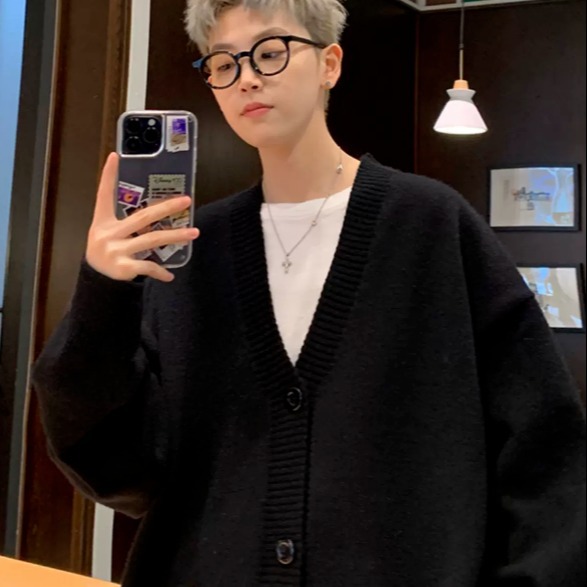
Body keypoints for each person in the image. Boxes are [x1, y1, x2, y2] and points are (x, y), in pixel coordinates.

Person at [31, 1, 586, 585]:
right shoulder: (187, 251)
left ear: (330, 64)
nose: (246, 78)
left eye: (270, 53)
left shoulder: (431, 224)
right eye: (223, 64)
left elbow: (548, 455)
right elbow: (116, 467)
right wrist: (103, 290)